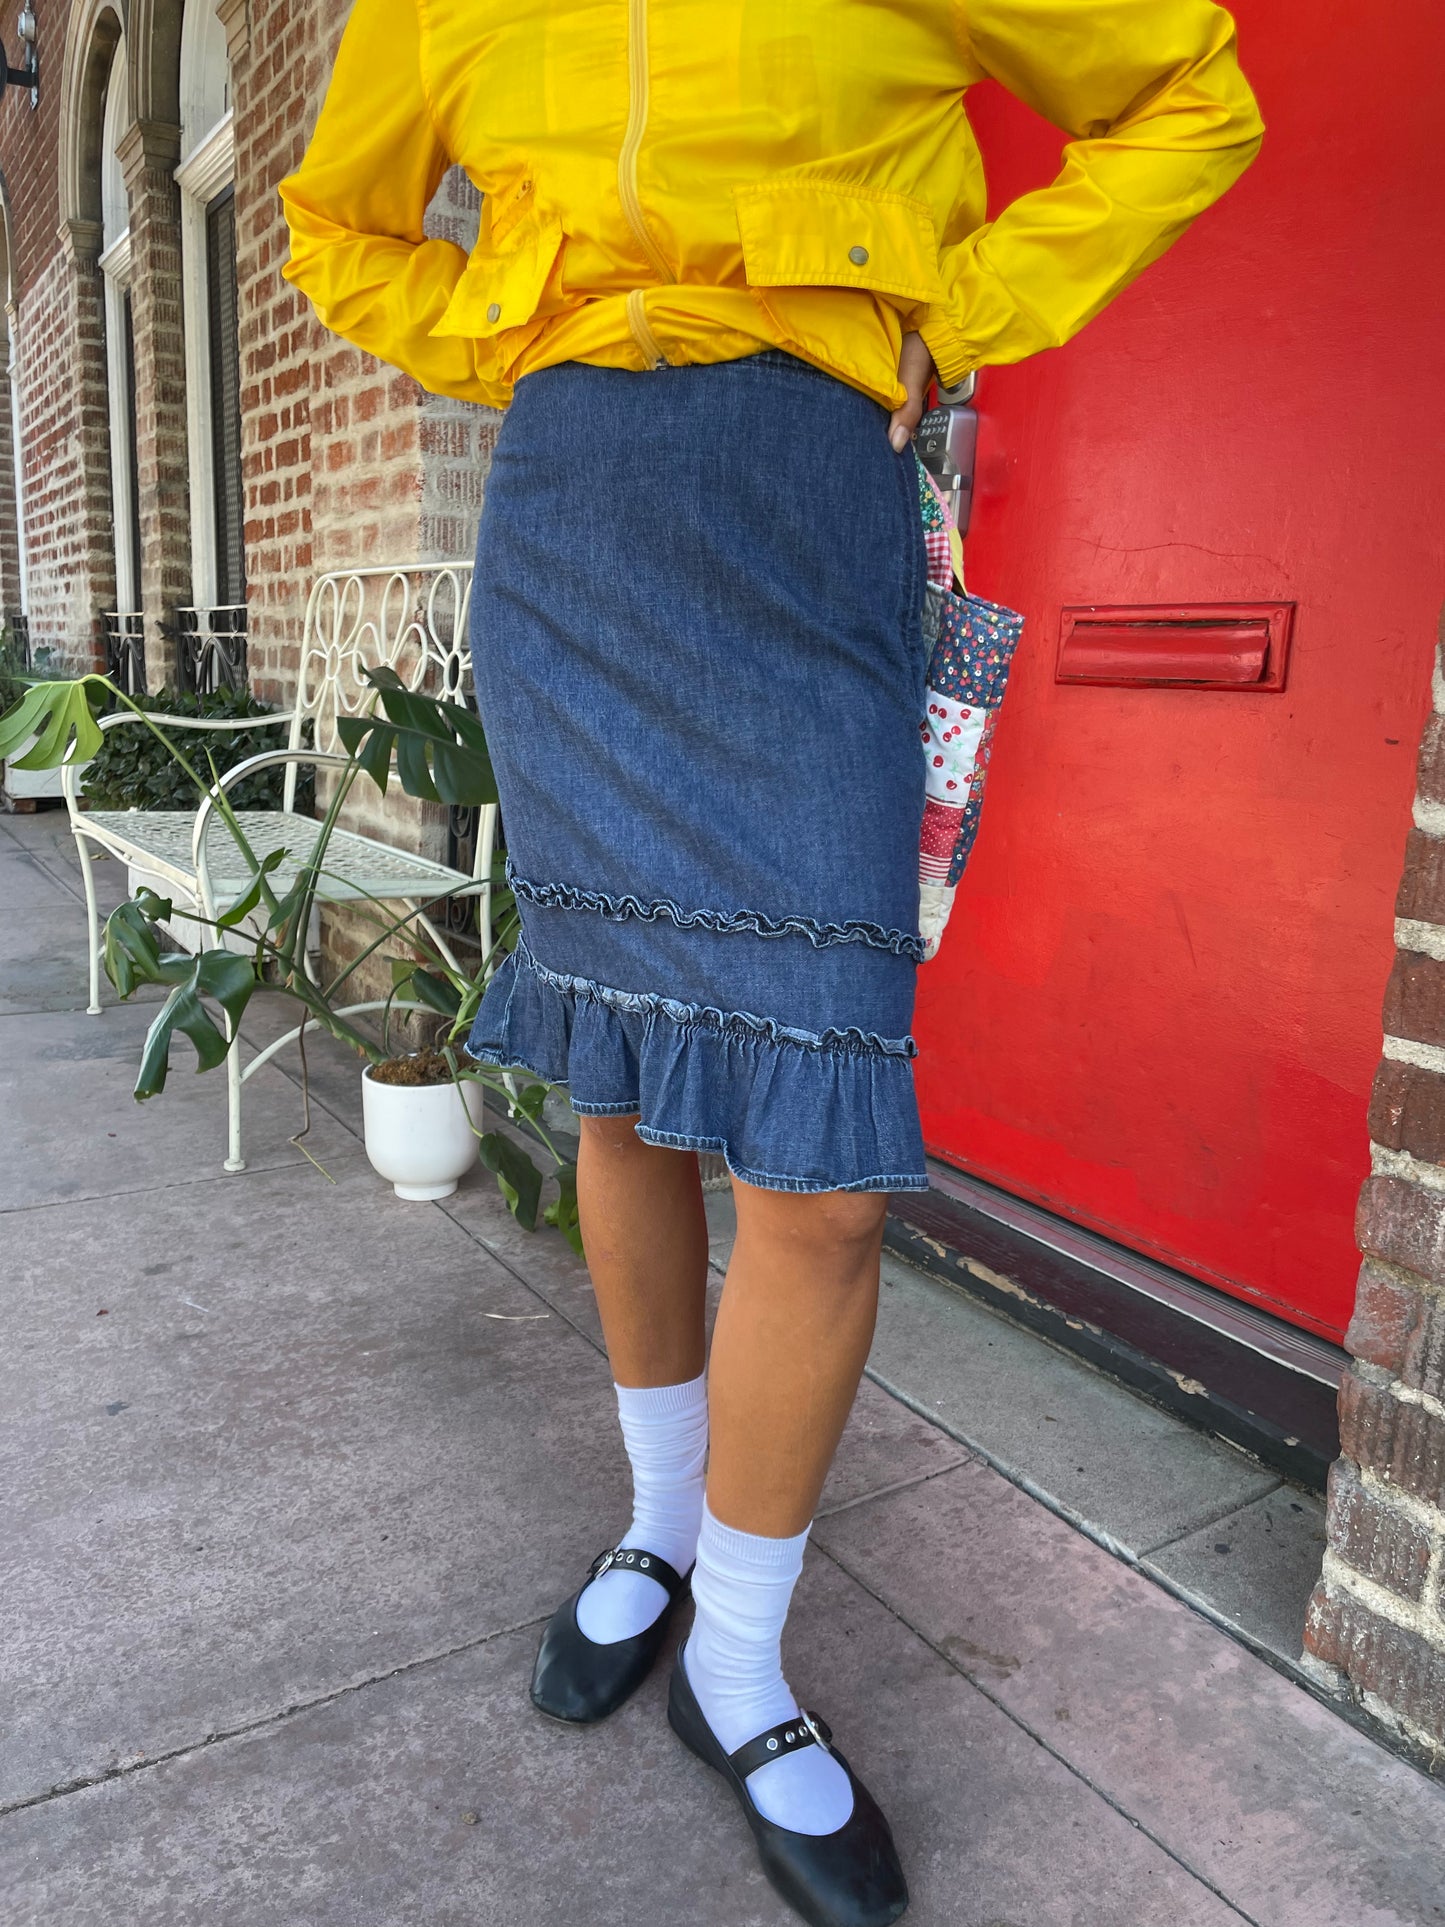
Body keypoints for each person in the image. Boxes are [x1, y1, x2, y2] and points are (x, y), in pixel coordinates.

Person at [279, 6, 1261, 1920]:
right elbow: (336, 224)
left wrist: (952, 297)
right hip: (572, 517)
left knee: (817, 1183)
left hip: (811, 497)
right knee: (625, 1087)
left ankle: (738, 1663)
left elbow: (1184, 93)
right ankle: (654, 1536)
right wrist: (504, 333)